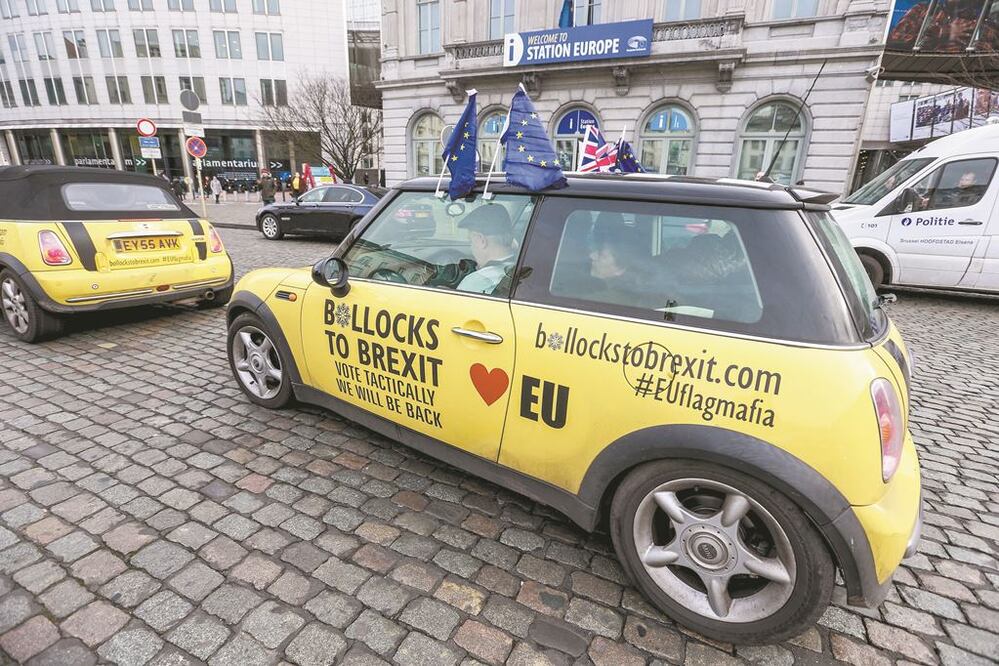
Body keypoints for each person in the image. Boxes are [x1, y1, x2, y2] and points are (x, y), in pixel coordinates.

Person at [456, 205, 518, 295]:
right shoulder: (523, 267)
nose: (471, 248)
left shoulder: (475, 282)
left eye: (470, 241)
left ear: (481, 240)